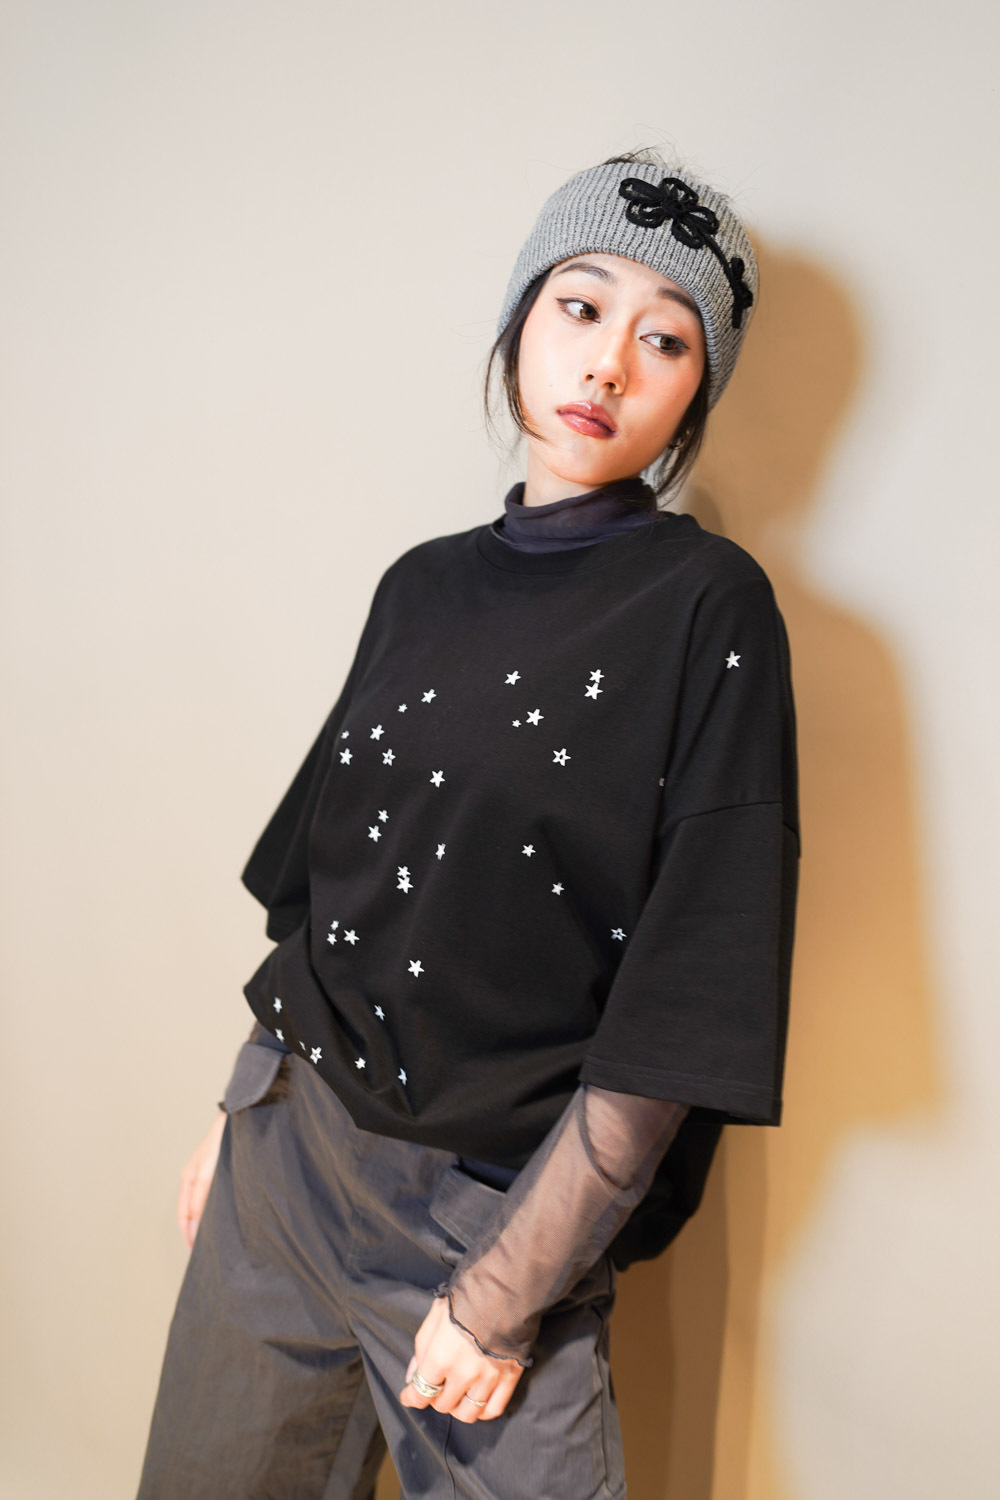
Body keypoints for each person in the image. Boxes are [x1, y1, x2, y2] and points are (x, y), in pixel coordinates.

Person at [136, 146, 799, 1499]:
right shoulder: (420, 588)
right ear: (520, 321)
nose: (607, 365)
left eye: (665, 340)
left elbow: (687, 1000)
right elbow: (332, 894)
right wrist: (240, 1109)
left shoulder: (708, 609)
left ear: (697, 391)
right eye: (581, 306)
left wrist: (507, 1292)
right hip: (286, 1157)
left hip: (495, 1211)